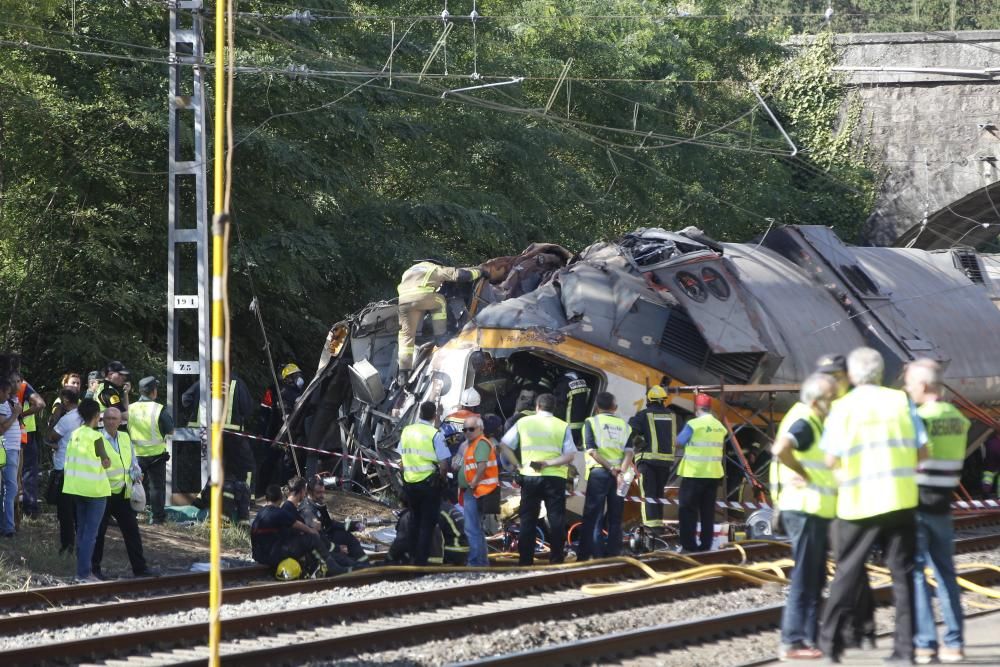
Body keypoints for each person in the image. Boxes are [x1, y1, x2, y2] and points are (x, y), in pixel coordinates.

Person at [818, 347, 928, 665]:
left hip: (858, 503)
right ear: (881, 374)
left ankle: (831, 646)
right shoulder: (900, 402)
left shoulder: (843, 408)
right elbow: (923, 452)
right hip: (900, 500)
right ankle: (905, 651)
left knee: (846, 573)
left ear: (852, 375)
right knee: (903, 577)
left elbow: (829, 459)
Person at [904, 359, 969, 665]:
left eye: (910, 383)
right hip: (943, 504)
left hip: (917, 504)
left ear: (924, 385)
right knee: (946, 574)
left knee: (917, 575)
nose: (907, 388)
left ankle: (926, 642)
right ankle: (955, 642)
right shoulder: (958, 418)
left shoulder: (919, 418)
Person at [770, 374, 838, 661]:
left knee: (815, 576)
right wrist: (803, 471)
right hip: (805, 509)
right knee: (805, 577)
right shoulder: (806, 422)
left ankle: (809, 637)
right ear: (815, 401)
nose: (835, 403)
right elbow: (781, 448)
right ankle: (792, 640)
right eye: (830, 399)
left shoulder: (816, 421)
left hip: (816, 510)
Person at [499, 393, 576, 565]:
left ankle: (525, 561)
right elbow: (570, 456)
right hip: (555, 478)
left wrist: (517, 466)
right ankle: (556, 559)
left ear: (537, 407)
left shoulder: (524, 422)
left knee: (528, 520)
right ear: (554, 409)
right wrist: (548, 463)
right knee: (556, 520)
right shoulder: (562, 426)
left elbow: (504, 445)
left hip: (530, 477)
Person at [92, 407, 157, 578]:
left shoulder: (125, 437)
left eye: (115, 419)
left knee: (132, 531)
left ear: (120, 421)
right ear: (102, 420)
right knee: (99, 532)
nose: (111, 422)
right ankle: (94, 569)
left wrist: (137, 474)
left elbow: (132, 461)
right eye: (108, 418)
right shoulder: (97, 438)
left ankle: (140, 568)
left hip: (123, 492)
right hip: (104, 492)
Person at [396, 259, 483, 381]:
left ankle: (403, 371)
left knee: (406, 334)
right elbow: (460, 275)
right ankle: (441, 336)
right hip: (423, 298)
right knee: (440, 301)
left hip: (404, 302)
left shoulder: (409, 271)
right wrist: (480, 272)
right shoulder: (434, 268)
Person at [184, 375, 257, 518]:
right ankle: (247, 498)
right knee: (247, 465)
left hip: (199, 432)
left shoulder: (204, 381)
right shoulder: (236, 382)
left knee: (205, 465)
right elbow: (248, 408)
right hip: (231, 432)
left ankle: (201, 497)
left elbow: (185, 400)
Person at [578, 392, 633, 561]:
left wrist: (611, 469)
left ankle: (595, 555)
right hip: (620, 477)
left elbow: (592, 451)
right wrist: (620, 472)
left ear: (596, 407)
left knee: (594, 516)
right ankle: (613, 555)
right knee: (616, 517)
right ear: (614, 408)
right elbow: (629, 453)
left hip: (600, 473)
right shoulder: (625, 426)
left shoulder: (591, 422)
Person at [61, 398, 111, 582]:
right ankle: (84, 573)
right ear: (97, 415)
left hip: (76, 488)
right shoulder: (96, 437)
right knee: (91, 533)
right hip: (95, 491)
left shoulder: (75, 434)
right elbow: (106, 462)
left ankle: (80, 570)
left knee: (81, 531)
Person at [251, 483, 347, 576]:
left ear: (267, 497)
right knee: (311, 538)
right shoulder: (279, 513)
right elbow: (299, 525)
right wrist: (312, 531)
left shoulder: (260, 513)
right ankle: (333, 568)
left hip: (258, 556)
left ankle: (314, 568)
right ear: (280, 498)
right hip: (272, 556)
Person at [398, 401, 450, 565]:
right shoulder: (435, 434)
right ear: (434, 415)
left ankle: (411, 557)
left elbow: (401, 458)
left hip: (409, 483)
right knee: (427, 524)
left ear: (419, 413)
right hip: (429, 484)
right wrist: (442, 478)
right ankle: (421, 563)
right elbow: (443, 464)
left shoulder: (407, 431)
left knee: (414, 520)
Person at [674, 393, 726, 552]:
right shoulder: (719, 426)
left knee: (687, 510)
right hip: (713, 475)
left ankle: (689, 546)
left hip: (694, 474)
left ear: (696, 408)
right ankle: (705, 545)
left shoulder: (693, 424)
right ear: (709, 408)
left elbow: (678, 442)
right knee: (707, 511)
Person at [628, 385, 681, 534]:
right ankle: (658, 525)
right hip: (665, 463)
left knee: (648, 495)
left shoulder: (644, 415)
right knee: (658, 495)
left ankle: (651, 529)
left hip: (647, 462)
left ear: (649, 400)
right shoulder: (672, 416)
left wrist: (640, 444)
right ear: (664, 400)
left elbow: (630, 431)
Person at [129, 376, 175, 524]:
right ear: (153, 392)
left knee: (132, 484)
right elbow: (170, 430)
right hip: (156, 455)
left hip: (135, 455)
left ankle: (131, 514)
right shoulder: (159, 409)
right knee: (157, 488)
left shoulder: (130, 408)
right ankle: (157, 518)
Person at [299, 476, 369, 567]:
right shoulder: (307, 511)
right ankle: (356, 567)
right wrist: (337, 548)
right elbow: (319, 538)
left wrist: (354, 526)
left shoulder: (318, 504)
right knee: (346, 562)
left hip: (328, 538)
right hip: (319, 547)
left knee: (348, 536)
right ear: (309, 492)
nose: (322, 495)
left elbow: (330, 524)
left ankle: (364, 563)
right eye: (318, 493)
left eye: (323, 492)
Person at [46, 388, 83, 553]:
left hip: (64, 471)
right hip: (81, 470)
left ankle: (67, 545)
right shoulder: (85, 417)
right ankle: (82, 543)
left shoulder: (66, 420)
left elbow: (51, 437)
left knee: (65, 512)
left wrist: (57, 414)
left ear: (66, 401)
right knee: (79, 511)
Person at [459, 415, 498, 567]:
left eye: (471, 429)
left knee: (471, 529)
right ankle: (481, 562)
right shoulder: (472, 444)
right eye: (465, 429)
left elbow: (482, 466)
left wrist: (473, 483)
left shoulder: (480, 443)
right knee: (476, 529)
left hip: (477, 491)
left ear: (480, 429)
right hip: (476, 491)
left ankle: (475, 563)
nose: (467, 432)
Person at [11, 368, 46, 518]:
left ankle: (14, 509)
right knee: (28, 471)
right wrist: (21, 415)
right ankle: (30, 509)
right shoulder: (24, 386)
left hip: (10, 432)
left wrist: (19, 415)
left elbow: (40, 404)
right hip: (25, 434)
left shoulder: (14, 385)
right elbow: (40, 404)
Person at [0, 377, 23, 537]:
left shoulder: (9, 402)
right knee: (11, 488)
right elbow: (2, 429)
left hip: (12, 449)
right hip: (7, 449)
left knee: (8, 489)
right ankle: (8, 527)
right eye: (6, 392)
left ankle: (6, 525)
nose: (8, 395)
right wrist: (15, 414)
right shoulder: (2, 405)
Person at [552, 371, 591, 448]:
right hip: (579, 429)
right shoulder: (584, 383)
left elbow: (559, 407)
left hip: (566, 428)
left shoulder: (563, 384)